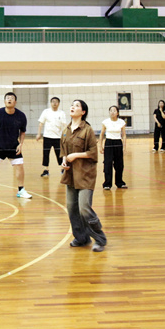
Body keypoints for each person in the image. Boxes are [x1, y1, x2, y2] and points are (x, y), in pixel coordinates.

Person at [61, 100, 107, 252]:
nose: (72, 107)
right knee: (72, 208)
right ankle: (81, 238)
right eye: (72, 105)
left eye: (77, 106)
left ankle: (100, 239)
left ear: (83, 112)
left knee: (84, 208)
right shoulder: (66, 130)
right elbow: (63, 150)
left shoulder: (87, 130)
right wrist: (64, 160)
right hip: (70, 175)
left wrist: (75, 155)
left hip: (85, 175)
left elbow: (93, 153)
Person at [0, 92, 32, 201]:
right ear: (4, 101)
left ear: (15, 102)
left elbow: (23, 132)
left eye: (11, 98)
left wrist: (21, 144)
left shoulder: (21, 115)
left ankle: (21, 190)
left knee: (20, 165)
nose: (9, 100)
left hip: (13, 145)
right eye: (7, 98)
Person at [36, 96, 67, 177]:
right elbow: (41, 123)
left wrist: (65, 135)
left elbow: (64, 126)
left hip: (58, 137)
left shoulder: (62, 113)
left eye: (56, 102)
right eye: (53, 101)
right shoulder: (46, 112)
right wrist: (38, 134)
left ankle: (62, 169)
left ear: (59, 103)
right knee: (46, 154)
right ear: (50, 103)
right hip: (47, 137)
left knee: (59, 154)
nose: (54, 103)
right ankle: (46, 170)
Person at [99, 105, 127, 189]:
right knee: (107, 163)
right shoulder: (105, 122)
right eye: (111, 110)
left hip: (118, 143)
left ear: (117, 113)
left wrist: (124, 147)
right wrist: (100, 146)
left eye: (114, 110)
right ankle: (107, 184)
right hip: (109, 142)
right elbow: (101, 134)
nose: (112, 112)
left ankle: (120, 182)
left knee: (119, 164)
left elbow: (124, 135)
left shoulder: (121, 122)